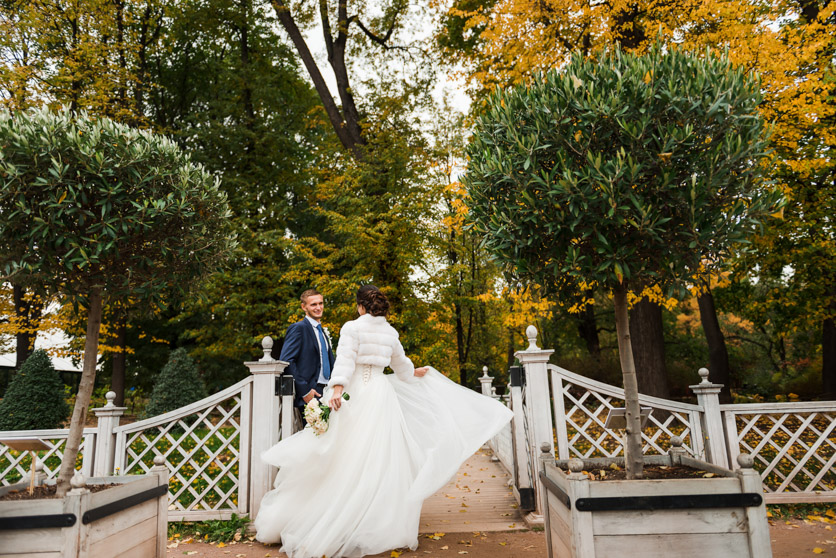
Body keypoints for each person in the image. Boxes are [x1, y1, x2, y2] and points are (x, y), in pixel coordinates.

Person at [254, 285, 513, 558]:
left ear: (361, 306)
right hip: (380, 395)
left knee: (343, 456)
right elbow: (402, 368)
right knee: (379, 458)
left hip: (355, 394)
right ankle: (373, 521)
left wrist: (338, 389)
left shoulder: (351, 328)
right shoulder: (390, 333)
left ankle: (338, 517)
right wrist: (417, 371)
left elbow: (344, 361)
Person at [279, 289, 335, 413]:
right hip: (311, 393)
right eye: (313, 304)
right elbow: (286, 360)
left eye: (320, 303)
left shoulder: (322, 332)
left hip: (327, 392)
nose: (318, 307)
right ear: (304, 307)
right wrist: (305, 391)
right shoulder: (299, 328)